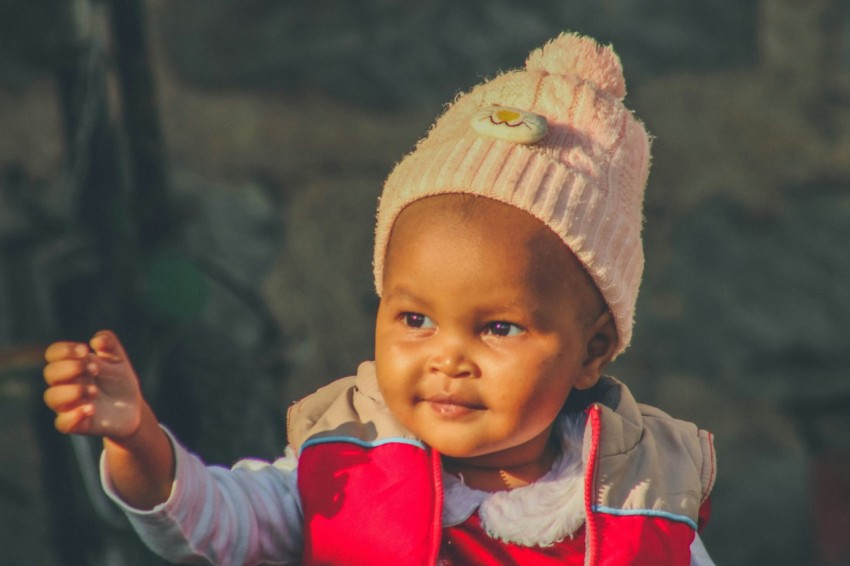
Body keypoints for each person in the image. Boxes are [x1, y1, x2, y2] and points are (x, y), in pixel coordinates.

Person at [43, 32, 716, 565]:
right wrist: (137, 440)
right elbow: (202, 523)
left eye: (500, 329)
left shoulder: (647, 501)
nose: (447, 359)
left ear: (591, 350)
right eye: (415, 319)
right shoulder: (341, 470)